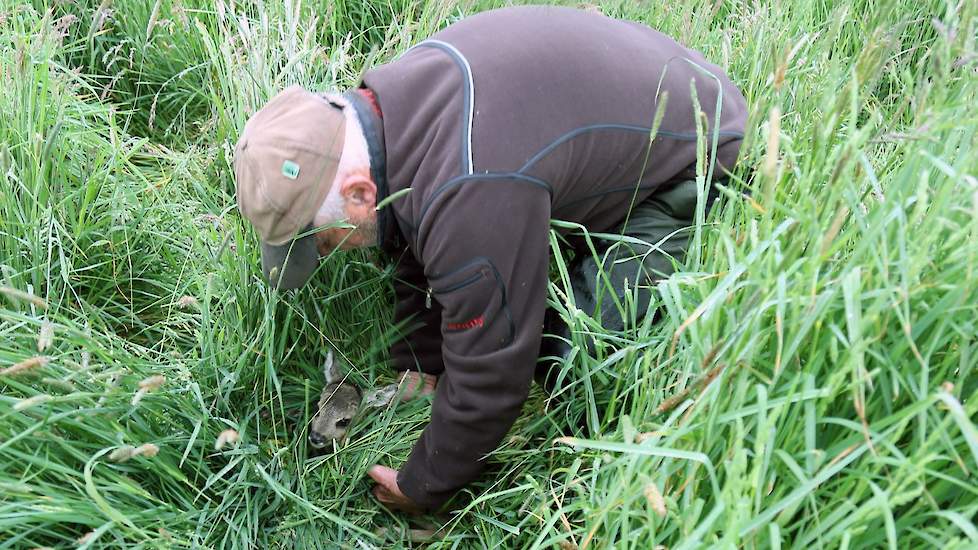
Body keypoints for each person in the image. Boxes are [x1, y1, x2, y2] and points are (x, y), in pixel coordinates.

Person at [232, 5, 747, 513]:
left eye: (322, 240)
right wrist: (418, 358)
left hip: (698, 146)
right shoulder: (392, 109)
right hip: (650, 81)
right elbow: (409, 224)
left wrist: (424, 484)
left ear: (361, 192)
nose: (328, 250)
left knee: (574, 356)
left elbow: (494, 375)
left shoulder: (472, 189)